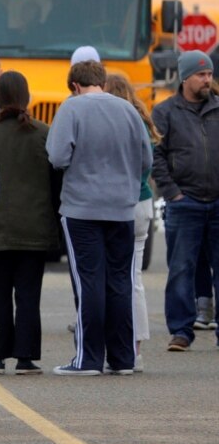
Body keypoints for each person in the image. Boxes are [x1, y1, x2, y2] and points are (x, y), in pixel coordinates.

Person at [46, 60, 151, 375]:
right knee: (121, 281)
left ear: (75, 85)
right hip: (122, 207)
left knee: (88, 280)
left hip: (82, 208)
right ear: (101, 81)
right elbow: (146, 157)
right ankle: (123, 358)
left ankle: (88, 358)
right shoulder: (128, 109)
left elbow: (57, 156)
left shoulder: (72, 108)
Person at [0, 71, 58, 375]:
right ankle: (26, 357)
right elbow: (55, 181)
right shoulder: (44, 133)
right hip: (34, 228)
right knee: (28, 295)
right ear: (27, 97)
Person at [151, 50, 219, 352]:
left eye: (209, 74)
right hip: (184, 203)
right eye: (201, 75)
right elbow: (156, 156)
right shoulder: (165, 112)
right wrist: (172, 193)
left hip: (217, 203)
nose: (207, 80)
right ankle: (180, 330)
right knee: (181, 269)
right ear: (185, 77)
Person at [104, 72, 159, 369]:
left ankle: (118, 344)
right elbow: (147, 164)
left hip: (119, 203)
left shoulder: (113, 123)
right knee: (134, 278)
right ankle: (135, 347)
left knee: (114, 278)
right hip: (143, 200)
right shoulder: (140, 121)